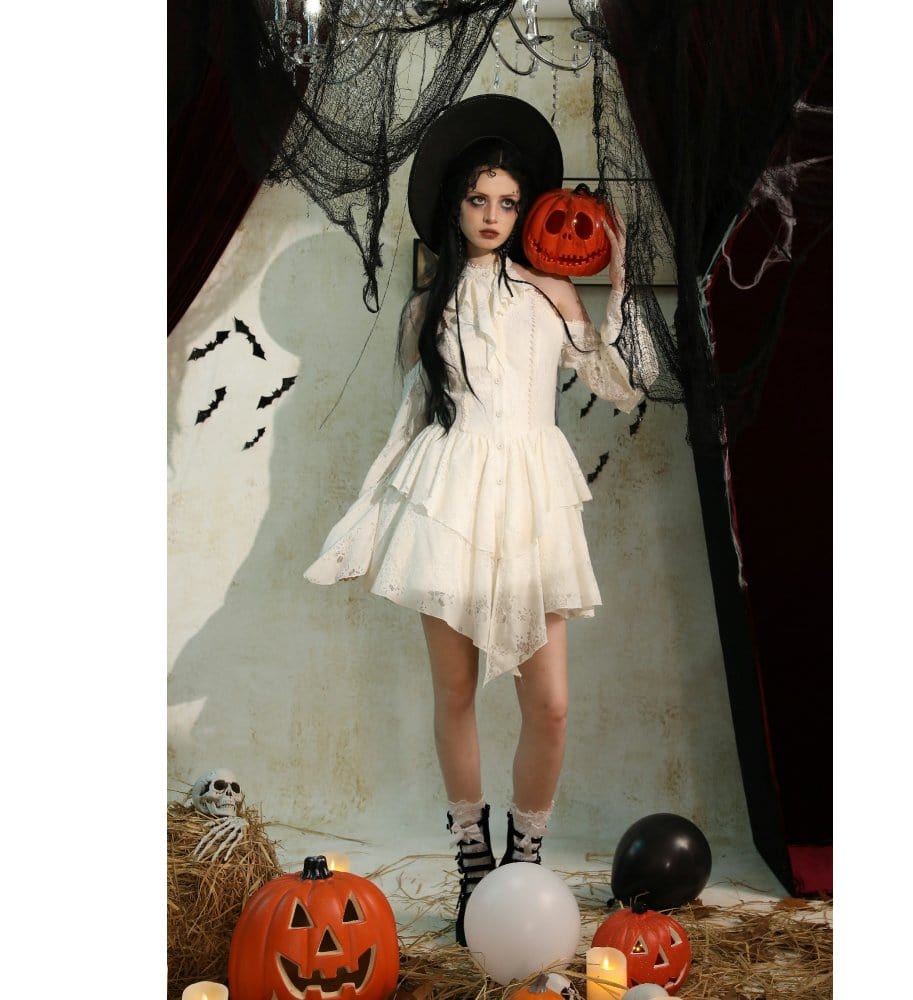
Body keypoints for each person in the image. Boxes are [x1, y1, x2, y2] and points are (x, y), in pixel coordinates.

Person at [305, 94, 657, 945]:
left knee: (552, 704)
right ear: (455, 206)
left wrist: (613, 287)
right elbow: (408, 425)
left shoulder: (550, 291)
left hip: (532, 503)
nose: (493, 216)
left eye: (507, 201)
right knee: (456, 690)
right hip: (451, 500)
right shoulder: (428, 307)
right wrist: (364, 524)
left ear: (526, 207)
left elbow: (625, 384)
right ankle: (472, 853)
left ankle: (524, 854)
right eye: (477, 199)